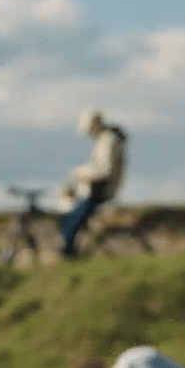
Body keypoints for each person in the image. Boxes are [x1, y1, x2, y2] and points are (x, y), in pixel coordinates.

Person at [59, 109, 127, 258]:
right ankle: (71, 249)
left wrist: (80, 175)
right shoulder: (104, 141)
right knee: (67, 215)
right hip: (94, 190)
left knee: (72, 221)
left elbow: (104, 171)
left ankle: (68, 254)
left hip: (99, 192)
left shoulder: (109, 141)